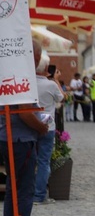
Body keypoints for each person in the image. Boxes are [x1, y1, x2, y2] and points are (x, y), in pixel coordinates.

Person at [0, 39, 50, 216]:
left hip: (10, 136)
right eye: (38, 57)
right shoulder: (23, 74)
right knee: (23, 189)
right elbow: (24, 112)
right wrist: (41, 127)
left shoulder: (10, 70)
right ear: (34, 56)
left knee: (13, 187)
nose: (37, 63)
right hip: (21, 139)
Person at [33, 59, 64, 204]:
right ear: (46, 68)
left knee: (30, 161)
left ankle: (29, 193)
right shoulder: (51, 85)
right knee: (44, 162)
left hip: (30, 125)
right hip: (48, 127)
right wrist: (56, 80)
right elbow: (62, 98)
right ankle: (39, 195)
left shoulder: (29, 83)